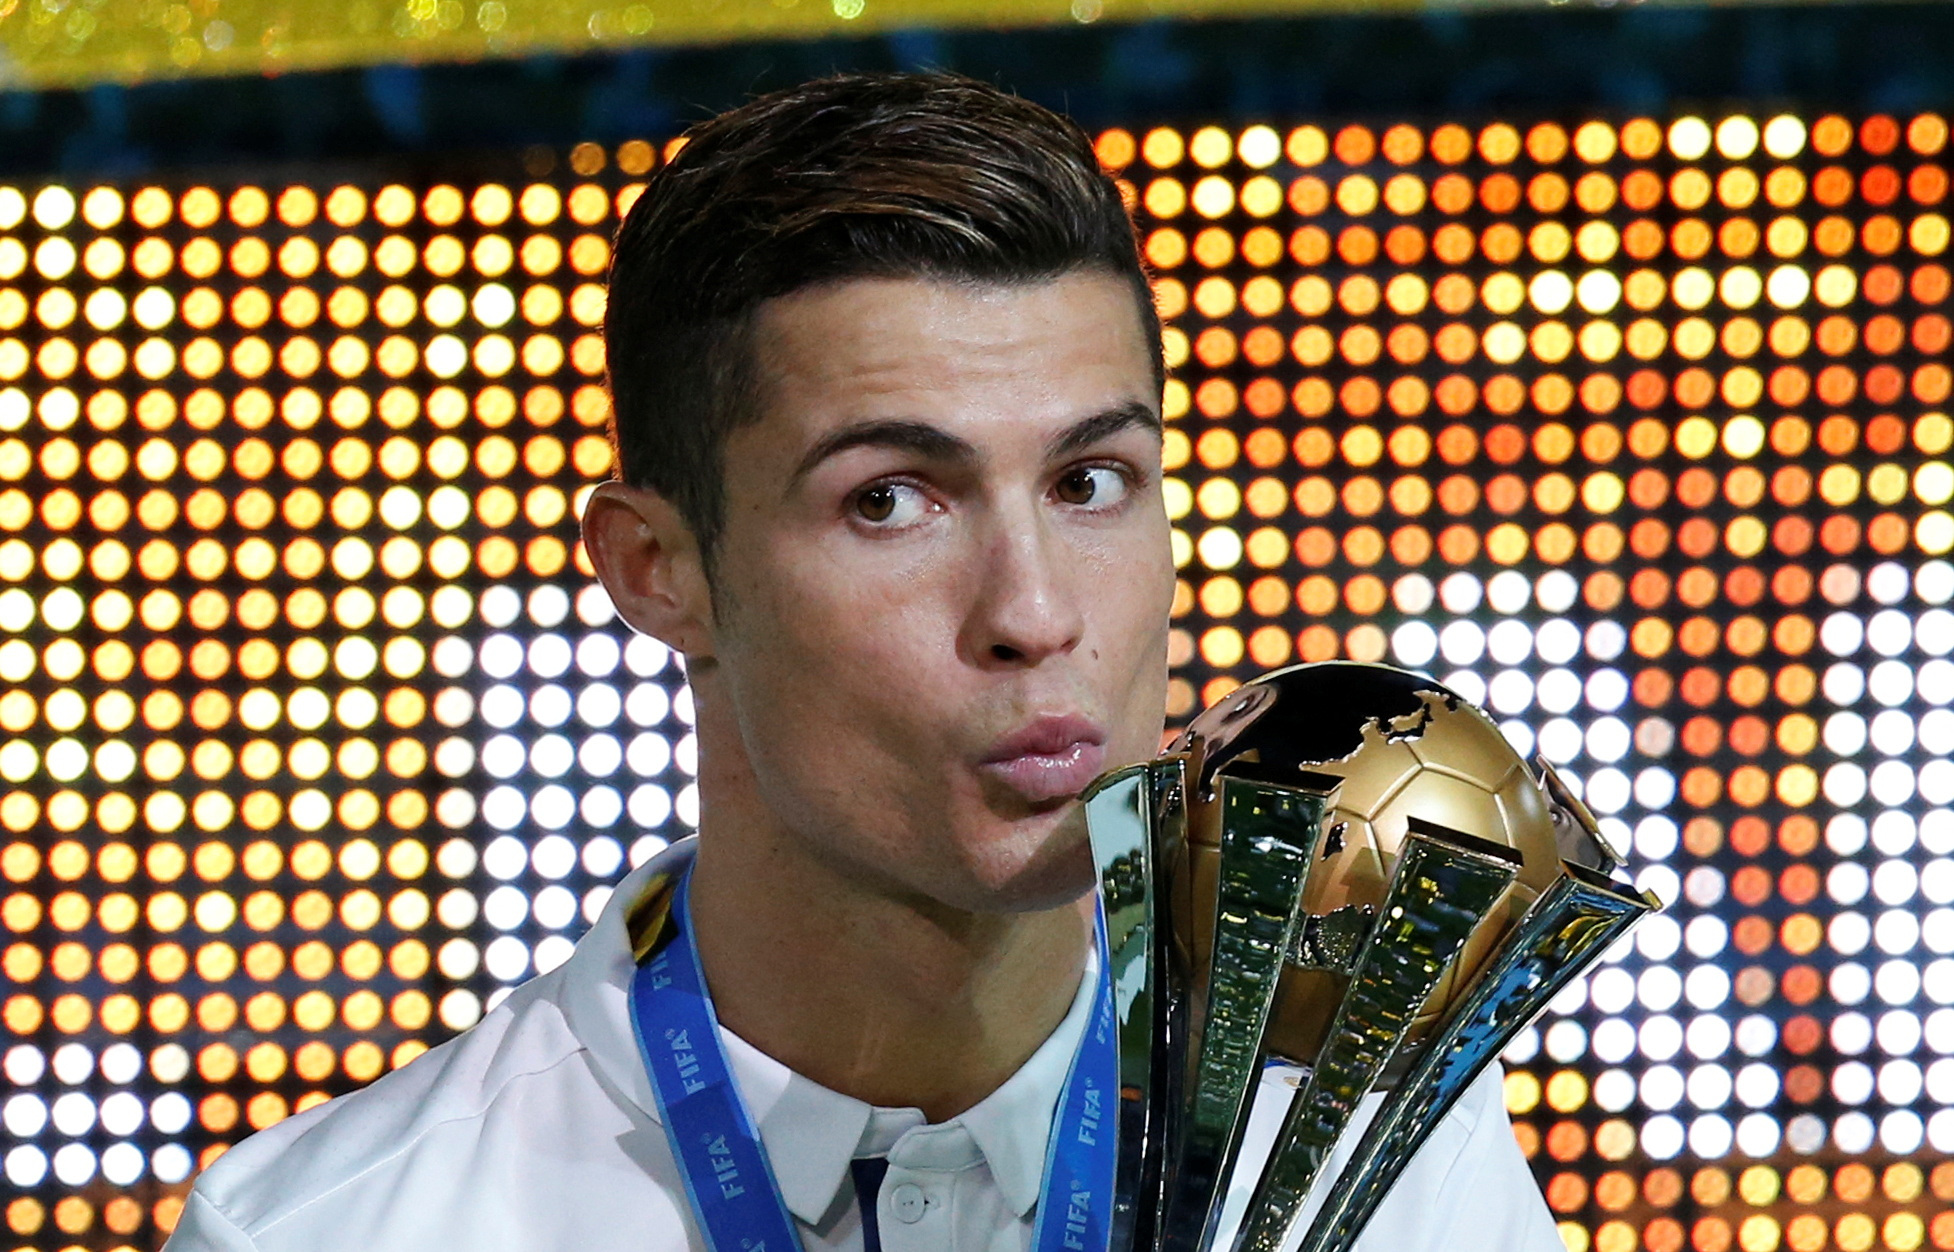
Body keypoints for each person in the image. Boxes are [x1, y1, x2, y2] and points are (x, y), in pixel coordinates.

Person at [163, 72, 1562, 1252]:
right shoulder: (337, 1229)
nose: (1032, 610)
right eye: (890, 498)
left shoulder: (1387, 1177)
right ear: (661, 572)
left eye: (1088, 480)